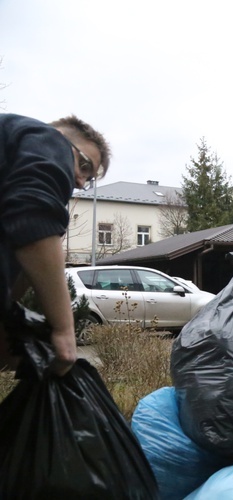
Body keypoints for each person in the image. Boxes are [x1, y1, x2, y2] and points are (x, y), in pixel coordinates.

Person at [1, 113, 111, 376]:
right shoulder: (48, 138)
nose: (82, 182)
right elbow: (34, 217)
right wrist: (63, 329)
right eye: (84, 165)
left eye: (90, 178)